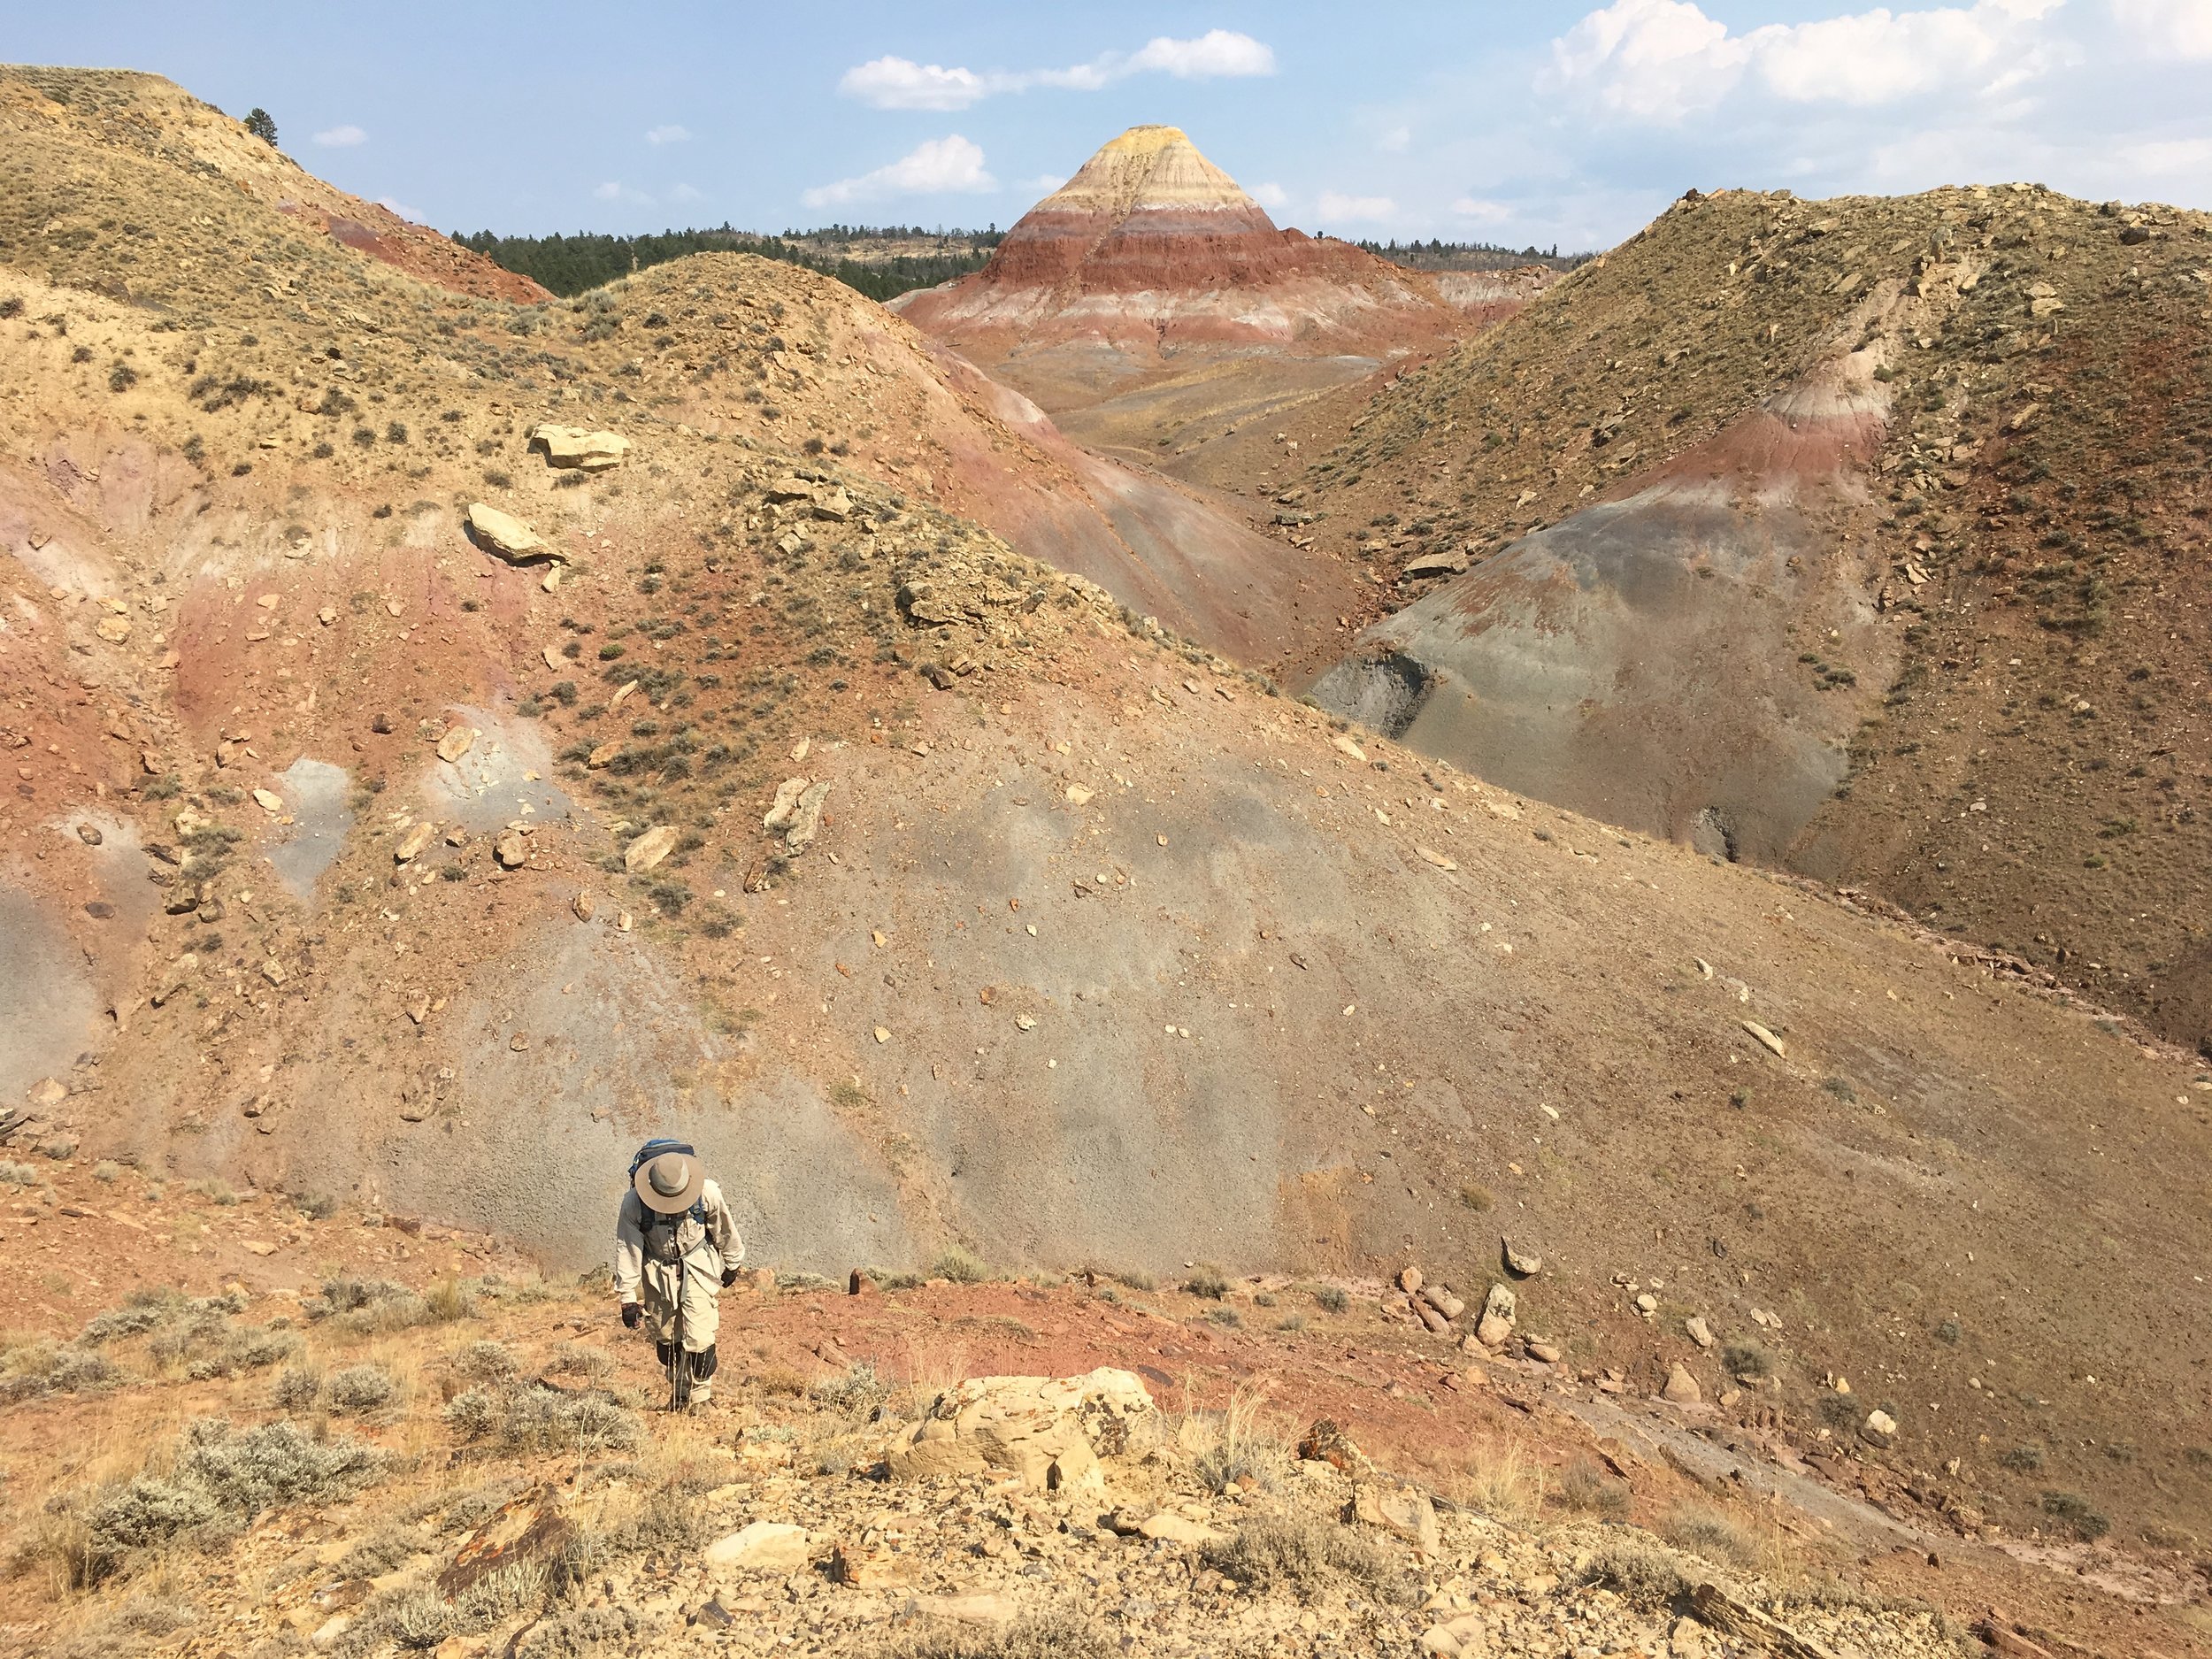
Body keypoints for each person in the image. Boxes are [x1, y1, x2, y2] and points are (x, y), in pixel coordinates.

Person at [613, 1138, 741, 1409]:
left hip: (698, 1268)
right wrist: (627, 1297)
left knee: (701, 1337)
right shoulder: (634, 1204)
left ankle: (701, 1398)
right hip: (657, 1274)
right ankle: (679, 1393)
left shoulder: (707, 1193)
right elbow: (628, 1249)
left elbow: (724, 1227)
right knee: (667, 1338)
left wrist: (733, 1262)